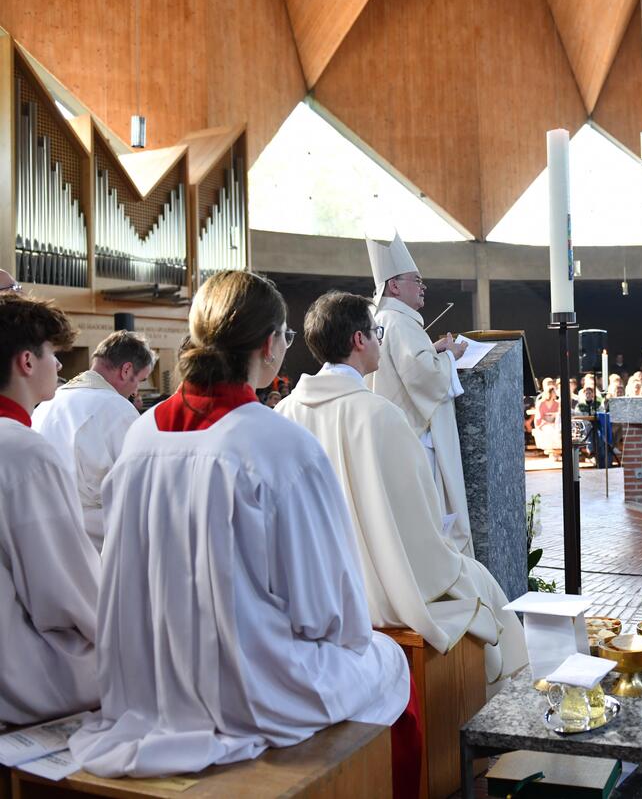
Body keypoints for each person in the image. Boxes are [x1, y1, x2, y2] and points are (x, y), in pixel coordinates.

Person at [69, 271, 415, 781]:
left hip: (146, 686)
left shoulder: (141, 434)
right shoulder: (279, 446)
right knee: (388, 660)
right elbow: (328, 615)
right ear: (271, 343)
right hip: (252, 691)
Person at [277, 292, 527, 687]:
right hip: (381, 591)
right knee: (480, 587)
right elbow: (422, 526)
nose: (381, 340)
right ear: (359, 341)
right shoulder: (381, 415)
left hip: (314, 592)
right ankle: (493, 711)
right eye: (376, 333)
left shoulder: (284, 413)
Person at [0, 293, 99, 725]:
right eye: (53, 354)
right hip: (19, 675)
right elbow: (65, 595)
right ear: (26, 361)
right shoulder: (23, 451)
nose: (60, 366)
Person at [366, 234, 472, 555]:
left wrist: (434, 348)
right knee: (433, 523)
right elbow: (425, 377)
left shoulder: (383, 321)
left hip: (397, 438)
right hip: (417, 440)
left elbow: (408, 365)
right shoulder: (399, 321)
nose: (422, 287)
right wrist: (451, 354)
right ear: (394, 286)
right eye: (417, 280)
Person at [32, 330, 155, 549]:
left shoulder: (47, 403)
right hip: (96, 543)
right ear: (127, 370)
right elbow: (139, 489)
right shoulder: (117, 408)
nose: (137, 391)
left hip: (43, 536)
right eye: (141, 380)